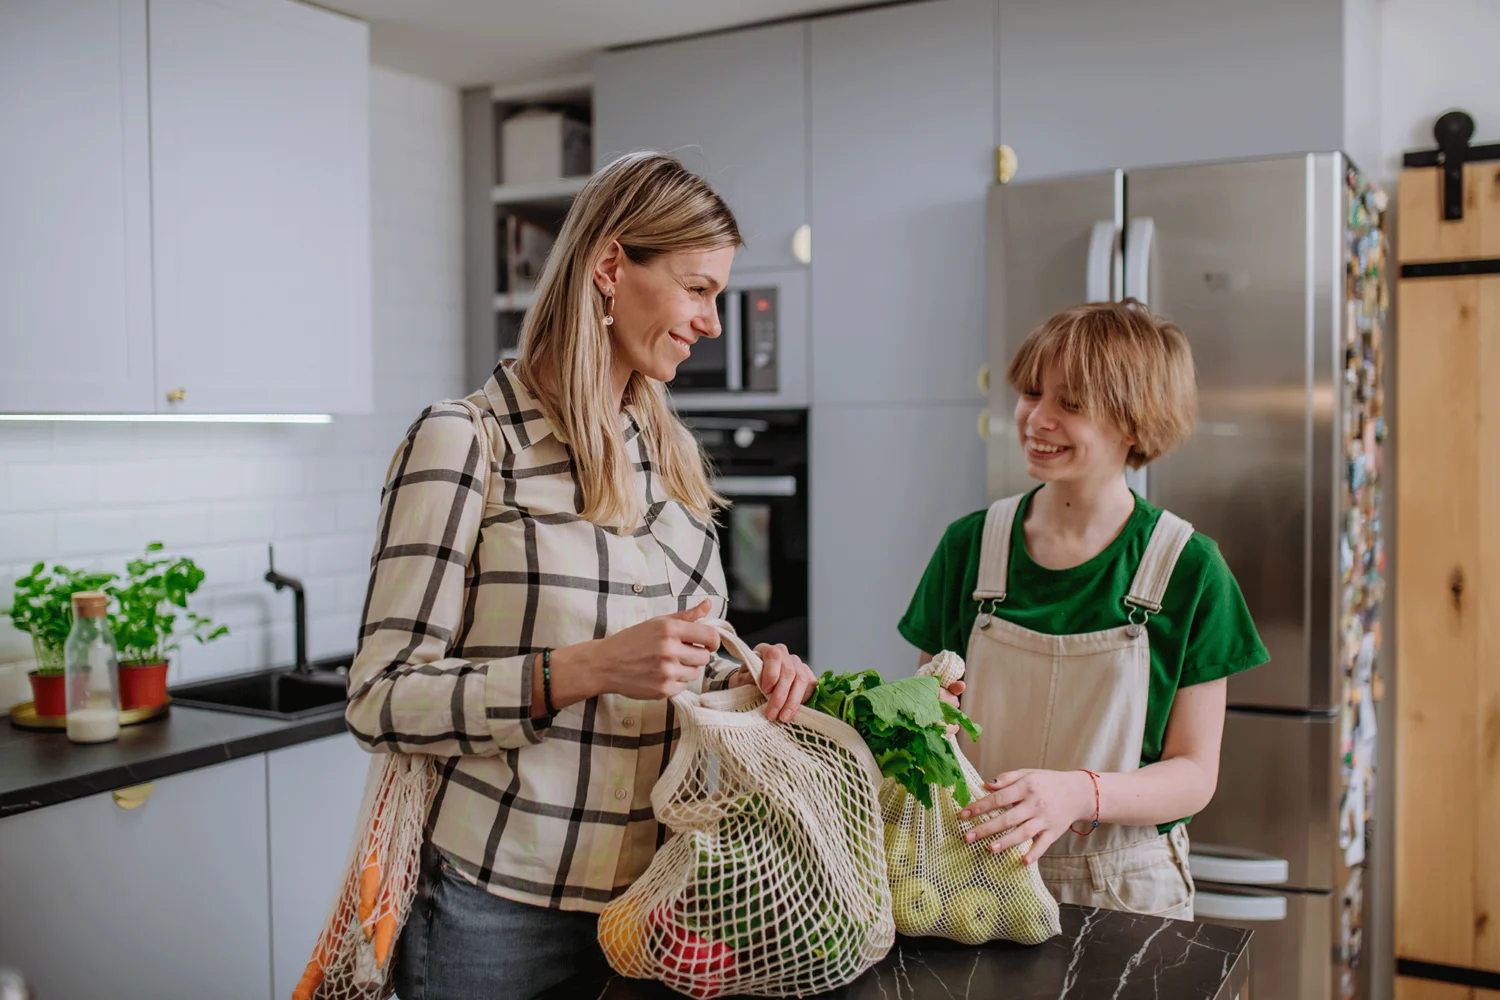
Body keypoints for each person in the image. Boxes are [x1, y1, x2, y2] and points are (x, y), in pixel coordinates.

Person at [344, 152, 818, 1000]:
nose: (714, 321)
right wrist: (584, 670)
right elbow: (380, 701)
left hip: (652, 906)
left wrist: (755, 674)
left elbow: (692, 663)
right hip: (495, 910)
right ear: (609, 269)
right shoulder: (467, 442)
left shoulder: (669, 457)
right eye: (698, 288)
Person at [901, 300, 1268, 919]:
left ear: (1134, 424)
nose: (1035, 419)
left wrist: (1078, 793)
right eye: (1031, 392)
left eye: (1070, 404)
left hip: (1122, 885)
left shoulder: (1189, 568)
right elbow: (926, 718)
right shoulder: (971, 546)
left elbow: (1194, 774)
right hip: (969, 869)